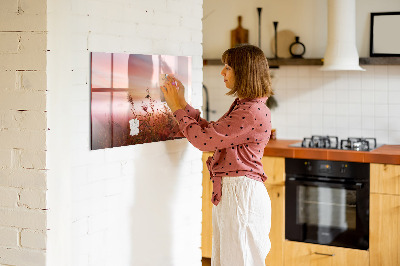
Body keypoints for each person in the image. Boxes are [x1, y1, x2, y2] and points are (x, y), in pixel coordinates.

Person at [161, 44, 273, 266]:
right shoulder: (246, 106)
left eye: (228, 67)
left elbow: (203, 141)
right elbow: (212, 133)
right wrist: (182, 103)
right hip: (236, 193)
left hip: (241, 195)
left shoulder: (250, 111)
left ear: (244, 72)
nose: (222, 72)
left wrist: (176, 108)